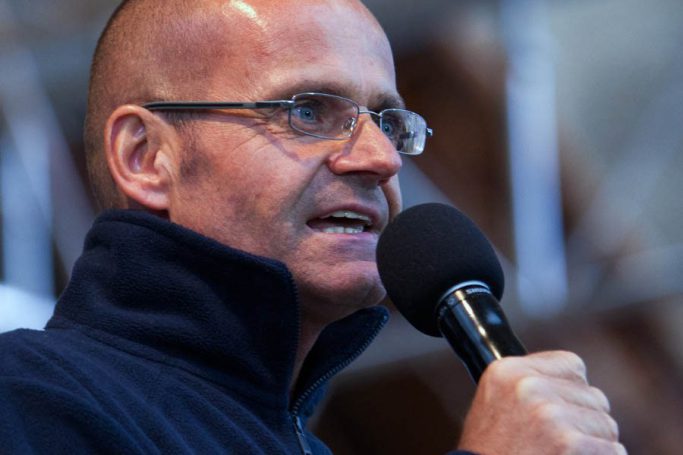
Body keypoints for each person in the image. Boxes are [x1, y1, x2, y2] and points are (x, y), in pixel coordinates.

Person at [0, 0, 625, 453]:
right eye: (307, 112)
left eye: (388, 122)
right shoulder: (26, 397)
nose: (381, 158)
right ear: (146, 157)